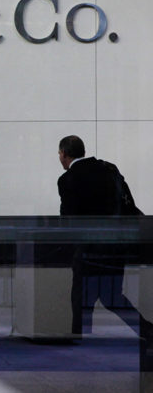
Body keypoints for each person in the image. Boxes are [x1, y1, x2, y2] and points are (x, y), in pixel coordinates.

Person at [57, 135, 151, 339]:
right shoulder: (109, 169)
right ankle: (148, 331)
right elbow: (129, 206)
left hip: (88, 250)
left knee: (81, 297)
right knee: (111, 296)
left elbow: (68, 220)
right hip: (115, 245)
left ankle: (80, 338)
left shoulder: (67, 179)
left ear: (63, 154)